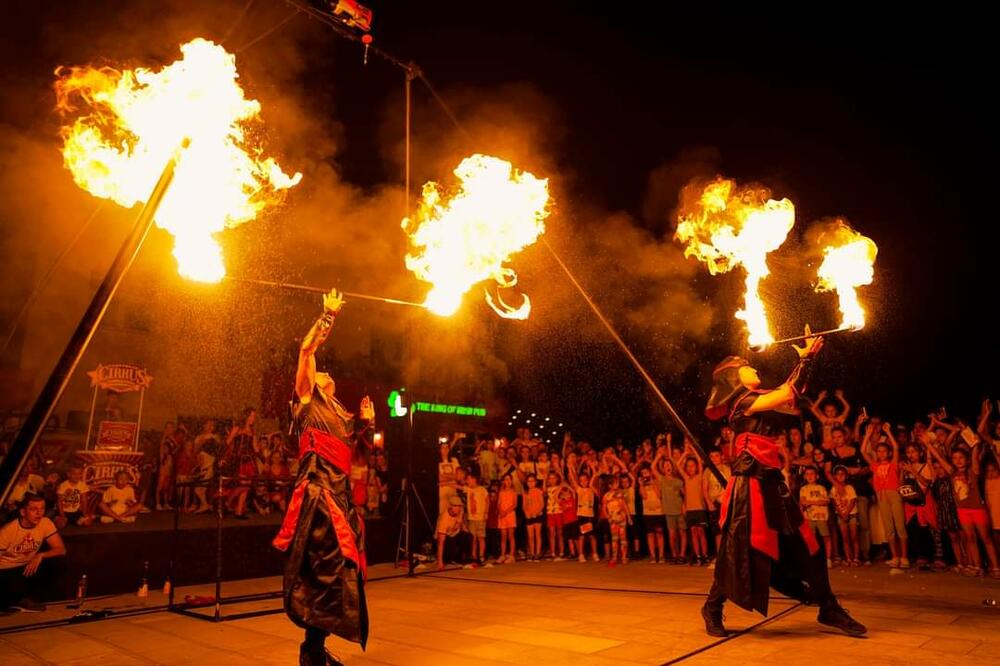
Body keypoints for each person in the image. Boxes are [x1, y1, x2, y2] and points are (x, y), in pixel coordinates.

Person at [700, 327, 865, 638]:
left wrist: (806, 361)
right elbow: (787, 393)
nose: (754, 367)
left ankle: (828, 607)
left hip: (772, 482)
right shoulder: (742, 403)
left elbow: (794, 395)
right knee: (741, 550)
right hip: (748, 485)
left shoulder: (762, 399)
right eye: (746, 367)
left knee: (810, 545)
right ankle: (712, 606)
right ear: (734, 378)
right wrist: (807, 358)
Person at [271, 289, 374, 665]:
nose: (323, 372)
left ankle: (315, 647)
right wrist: (328, 315)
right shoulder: (307, 400)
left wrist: (367, 423)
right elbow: (305, 350)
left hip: (340, 502)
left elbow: (360, 455)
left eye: (325, 374)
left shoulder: (339, 415)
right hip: (318, 499)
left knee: (338, 577)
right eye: (319, 373)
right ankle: (311, 651)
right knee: (322, 574)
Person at [0, 494, 67, 613]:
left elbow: (61, 549)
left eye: (42, 508)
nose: (39, 513)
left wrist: (40, 555)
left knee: (58, 561)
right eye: (33, 509)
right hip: (6, 569)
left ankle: (28, 599)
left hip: (27, 566)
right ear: (23, 512)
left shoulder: (45, 523)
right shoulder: (8, 530)